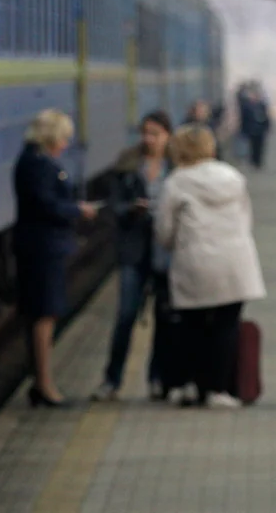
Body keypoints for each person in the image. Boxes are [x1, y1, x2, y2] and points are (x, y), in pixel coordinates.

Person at [154, 124, 266, 408]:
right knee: (226, 326)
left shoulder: (176, 182)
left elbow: (164, 231)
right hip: (234, 262)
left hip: (195, 263)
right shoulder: (233, 178)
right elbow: (246, 219)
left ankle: (190, 385)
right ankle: (219, 390)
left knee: (191, 326)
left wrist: (177, 244)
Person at [13, 109, 98, 407]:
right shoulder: (37, 165)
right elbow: (46, 205)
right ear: (50, 137)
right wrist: (78, 210)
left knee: (42, 312)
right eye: (63, 138)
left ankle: (42, 380)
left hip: (41, 246)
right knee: (45, 313)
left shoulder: (34, 161)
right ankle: (44, 384)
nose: (65, 144)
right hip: (42, 249)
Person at [91, 111, 174, 402]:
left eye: (155, 134)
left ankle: (158, 378)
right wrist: (131, 209)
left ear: (168, 135)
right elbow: (113, 205)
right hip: (134, 249)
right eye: (145, 133)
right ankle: (111, 380)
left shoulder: (176, 165)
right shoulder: (128, 165)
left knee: (164, 317)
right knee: (126, 316)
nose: (149, 139)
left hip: (165, 251)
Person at [238, 82, 273, 169]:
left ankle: (258, 161)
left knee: (260, 146)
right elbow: (244, 119)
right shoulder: (246, 106)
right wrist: (243, 129)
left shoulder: (262, 105)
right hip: (251, 130)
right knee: (252, 146)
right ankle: (253, 161)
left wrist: (267, 126)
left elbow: (266, 117)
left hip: (260, 129)